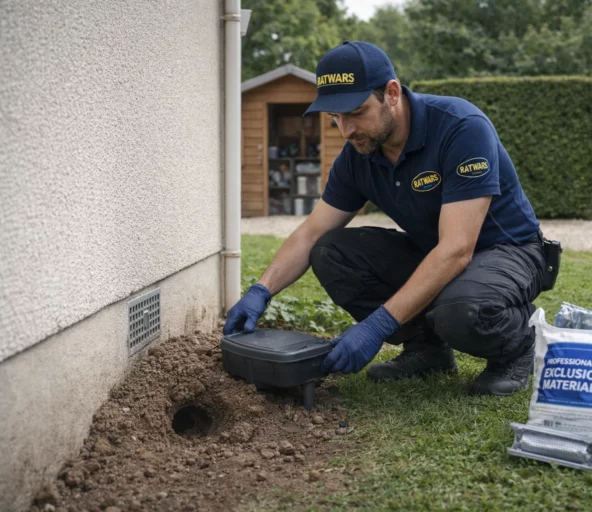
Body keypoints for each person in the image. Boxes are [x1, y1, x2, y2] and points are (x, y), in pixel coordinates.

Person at [224, 41, 559, 396]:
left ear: (392, 93)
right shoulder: (359, 154)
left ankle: (518, 345)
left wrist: (377, 326)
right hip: (436, 252)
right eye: (334, 118)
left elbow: (459, 249)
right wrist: (261, 290)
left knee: (462, 310)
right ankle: (428, 349)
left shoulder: (460, 127)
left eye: (355, 112)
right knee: (330, 251)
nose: (345, 130)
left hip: (508, 251)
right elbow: (311, 233)